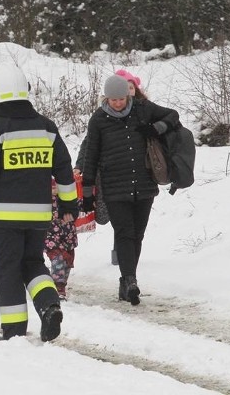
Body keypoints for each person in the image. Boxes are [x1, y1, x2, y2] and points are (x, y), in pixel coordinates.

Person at [0, 64, 77, 342]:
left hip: (4, 217)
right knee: (33, 263)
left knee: (8, 270)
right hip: (39, 216)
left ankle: (14, 331)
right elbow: (65, 172)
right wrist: (69, 206)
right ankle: (49, 305)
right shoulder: (47, 127)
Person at [80, 74, 179, 306]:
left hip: (144, 184)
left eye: (121, 98)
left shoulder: (143, 109)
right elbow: (91, 156)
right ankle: (130, 280)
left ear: (128, 95)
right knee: (124, 233)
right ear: (106, 98)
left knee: (138, 234)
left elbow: (172, 116)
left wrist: (157, 128)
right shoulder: (98, 120)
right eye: (113, 99)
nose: (117, 103)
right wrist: (87, 193)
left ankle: (126, 283)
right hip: (114, 187)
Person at [44, 178, 80, 300]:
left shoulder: (68, 200)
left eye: (56, 187)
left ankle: (62, 285)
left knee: (67, 264)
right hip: (52, 239)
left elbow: (78, 205)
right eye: (51, 187)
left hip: (68, 238)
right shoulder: (44, 202)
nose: (54, 189)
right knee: (58, 261)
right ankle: (57, 288)